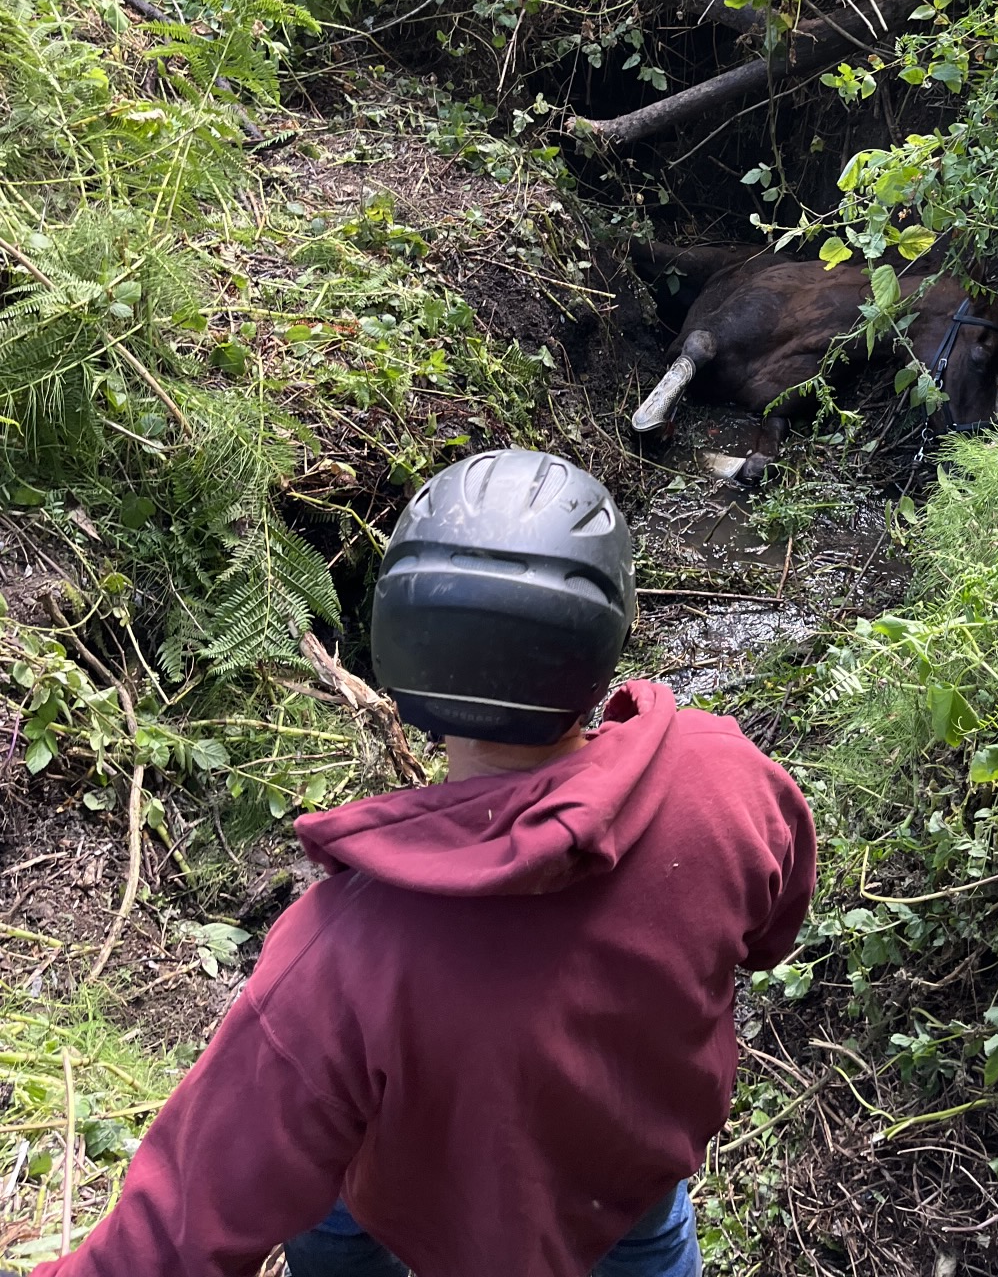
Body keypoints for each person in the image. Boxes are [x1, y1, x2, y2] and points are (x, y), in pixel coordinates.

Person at [32, 448, 817, 1277]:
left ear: (399, 656)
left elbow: (172, 1238)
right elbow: (773, 929)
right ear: (606, 638)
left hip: (436, 1221)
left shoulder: (340, 958)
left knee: (333, 1202)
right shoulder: (720, 774)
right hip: (631, 1194)